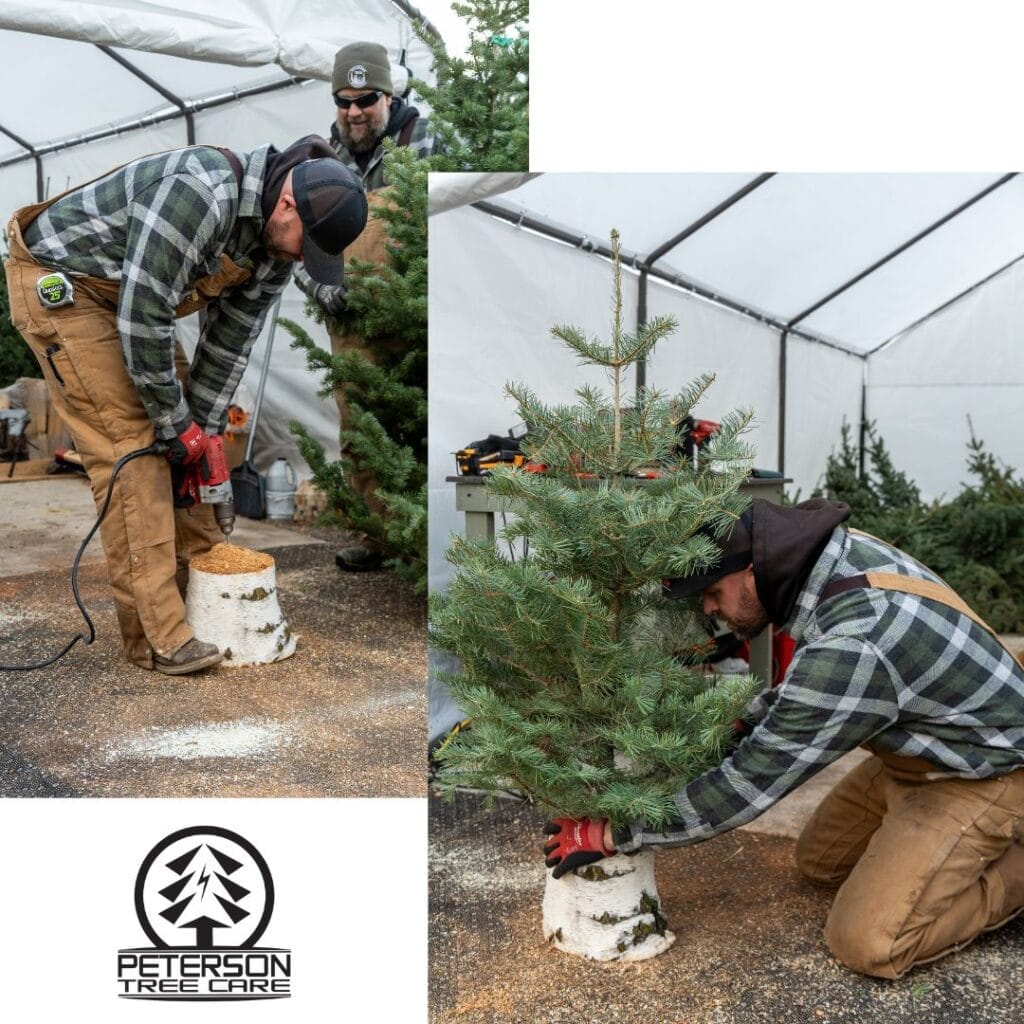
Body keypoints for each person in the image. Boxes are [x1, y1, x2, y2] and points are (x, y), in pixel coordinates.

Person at [542, 498, 1024, 978]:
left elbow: (748, 784)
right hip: (916, 751)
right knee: (820, 864)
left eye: (712, 591)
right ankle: (926, 842)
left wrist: (613, 835)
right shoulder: (833, 560)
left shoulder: (855, 640)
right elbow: (818, 694)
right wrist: (739, 724)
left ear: (753, 572)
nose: (710, 609)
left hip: (983, 773)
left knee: (868, 941)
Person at [4, 136, 367, 674]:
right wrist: (175, 429)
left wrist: (203, 438)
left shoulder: (275, 246)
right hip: (67, 286)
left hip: (129, 296)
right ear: (286, 204)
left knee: (189, 436)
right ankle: (158, 636)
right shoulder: (200, 191)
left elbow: (228, 348)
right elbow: (144, 314)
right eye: (303, 244)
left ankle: (207, 596)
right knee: (135, 446)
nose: (298, 258)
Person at [296, 41, 440, 571]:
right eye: (344, 101)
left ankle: (431, 546)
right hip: (351, 329)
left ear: (390, 94)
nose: (355, 112)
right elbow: (299, 244)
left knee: (422, 430)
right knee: (361, 435)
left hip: (417, 324)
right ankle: (378, 539)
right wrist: (323, 291)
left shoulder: (427, 143)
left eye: (367, 99)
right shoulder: (322, 159)